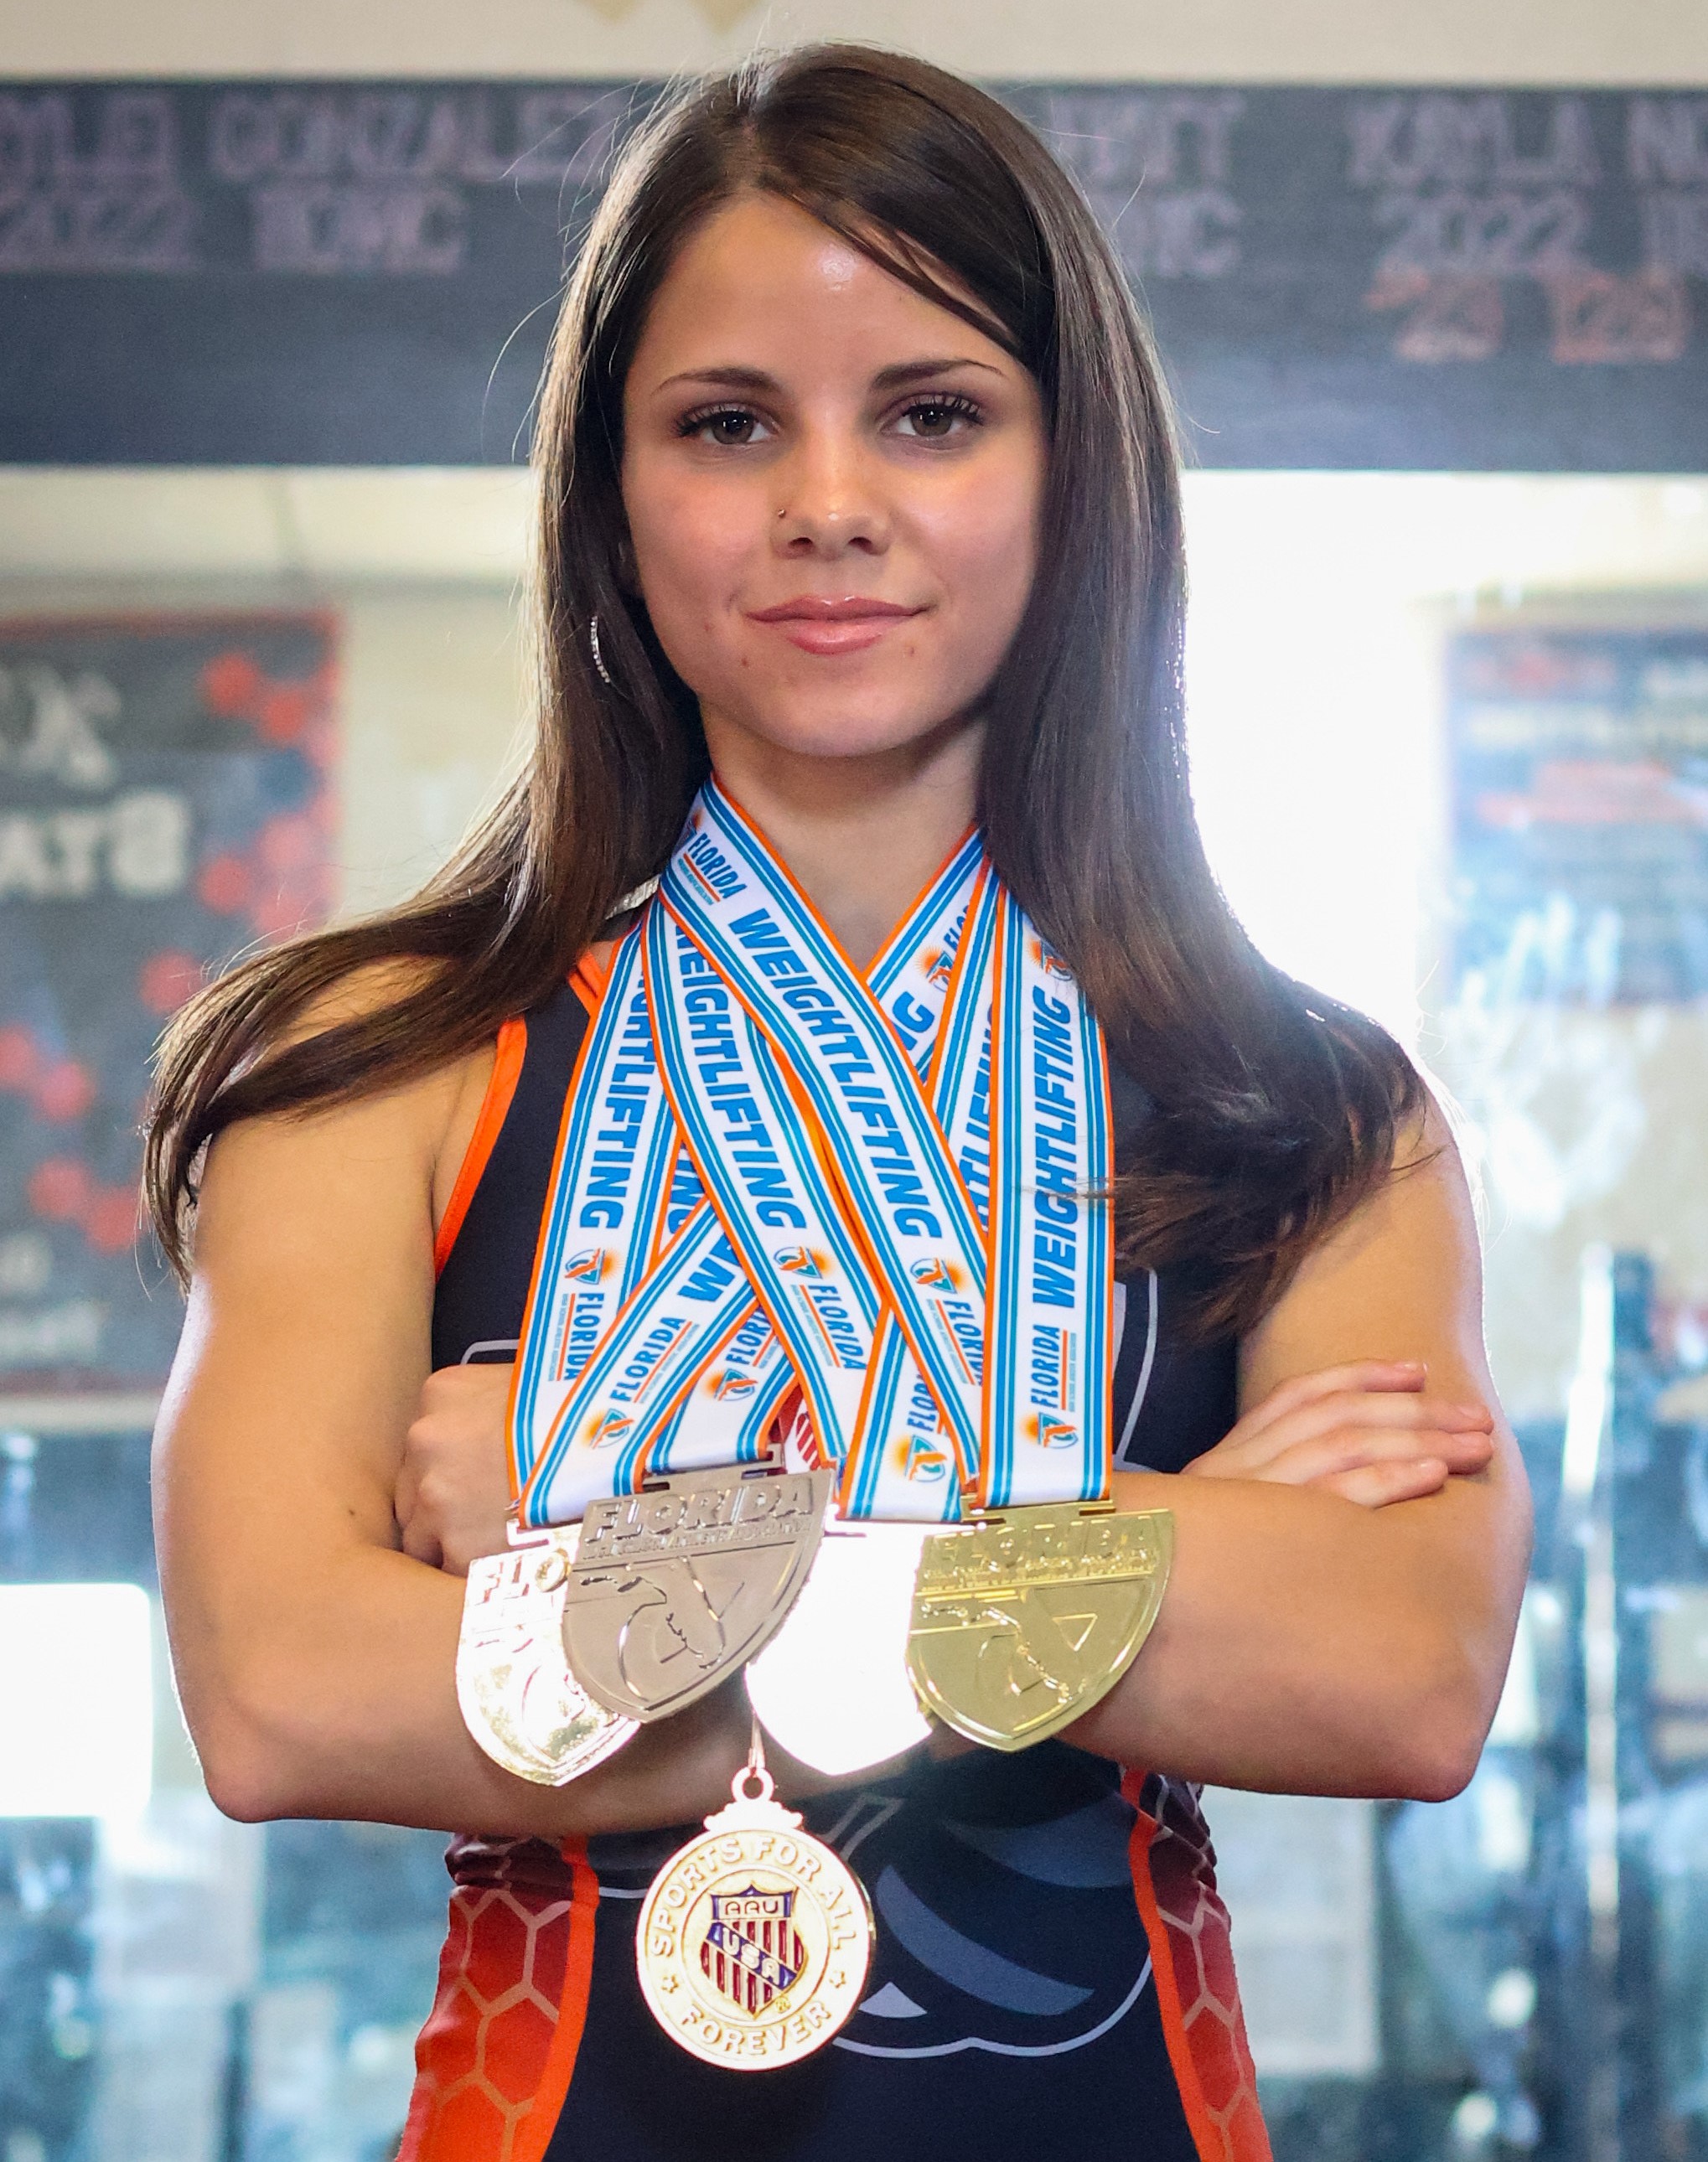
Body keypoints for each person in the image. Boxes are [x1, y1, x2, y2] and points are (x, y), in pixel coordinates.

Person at [144, 44, 1529, 2162]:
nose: (825, 500)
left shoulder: (1306, 1103)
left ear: (1074, 473)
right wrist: (1146, 1552)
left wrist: (621, 1497)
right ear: (612, 490)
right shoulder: (378, 1061)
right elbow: (281, 1693)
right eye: (724, 422)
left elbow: (1399, 1677)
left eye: (932, 411)